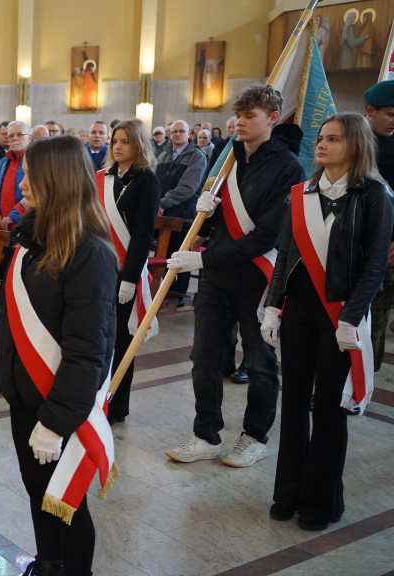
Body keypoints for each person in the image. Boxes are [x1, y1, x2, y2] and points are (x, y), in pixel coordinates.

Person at [0, 136, 116, 576]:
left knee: (67, 501)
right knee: (38, 490)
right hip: (25, 396)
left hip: (62, 405)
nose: (21, 184)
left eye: (30, 176)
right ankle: (49, 563)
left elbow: (87, 352)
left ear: (57, 180)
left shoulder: (90, 254)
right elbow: (11, 324)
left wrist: (56, 422)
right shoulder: (28, 241)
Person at [261, 112, 392, 531]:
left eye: (333, 139)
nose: (321, 144)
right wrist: (272, 305)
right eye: (320, 138)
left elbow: (374, 267)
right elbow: (285, 255)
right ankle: (288, 493)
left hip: (341, 316)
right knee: (295, 403)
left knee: (330, 409)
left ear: (354, 145)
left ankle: (322, 502)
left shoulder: (376, 194)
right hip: (299, 311)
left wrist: (353, 318)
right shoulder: (301, 192)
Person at [165, 84, 304, 468]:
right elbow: (216, 222)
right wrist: (206, 211)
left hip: (258, 278)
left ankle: (254, 436)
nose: (239, 123)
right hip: (217, 279)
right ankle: (205, 434)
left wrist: (204, 261)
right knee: (204, 358)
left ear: (272, 118)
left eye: (249, 116)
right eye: (238, 116)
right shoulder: (228, 157)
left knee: (260, 361)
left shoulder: (288, 166)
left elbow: (267, 235)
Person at [100, 120, 161, 425]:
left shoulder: (146, 180)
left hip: (126, 271)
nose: (118, 146)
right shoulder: (105, 177)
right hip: (101, 268)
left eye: (125, 141)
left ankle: (116, 405)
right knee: (101, 337)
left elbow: (142, 234)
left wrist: (129, 277)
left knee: (122, 341)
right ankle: (99, 397)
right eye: (115, 141)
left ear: (138, 145)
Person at [156, 119, 207, 304]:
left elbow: (188, 187)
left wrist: (162, 203)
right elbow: (156, 181)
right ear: (169, 134)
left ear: (189, 134)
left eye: (181, 131)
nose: (177, 134)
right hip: (163, 215)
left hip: (183, 214)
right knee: (164, 254)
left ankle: (177, 294)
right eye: (174, 131)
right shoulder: (163, 155)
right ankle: (160, 290)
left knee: (179, 254)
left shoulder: (197, 156)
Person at [364, 80, 394, 368]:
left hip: (386, 248)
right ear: (370, 111)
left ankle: (364, 382)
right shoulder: (352, 141)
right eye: (392, 115)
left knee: (375, 316)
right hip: (350, 242)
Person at [0, 121, 30, 231]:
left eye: (20, 134)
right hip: (2, 225)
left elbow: (36, 193)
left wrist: (13, 216)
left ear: (29, 138)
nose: (14, 138)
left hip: (24, 226)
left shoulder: (34, 161)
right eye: (11, 135)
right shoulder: (4, 161)